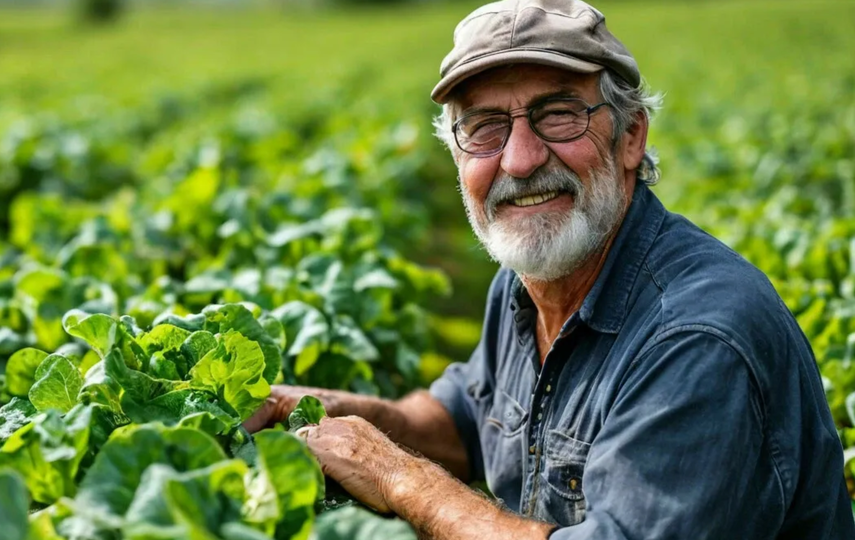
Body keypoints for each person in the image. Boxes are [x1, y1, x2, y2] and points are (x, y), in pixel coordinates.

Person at [243, 0, 855, 538]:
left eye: (558, 114)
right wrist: (323, 413)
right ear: (457, 155)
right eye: (484, 128)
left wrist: (401, 479)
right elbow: (461, 421)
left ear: (631, 136)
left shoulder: (697, 339)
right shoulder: (527, 281)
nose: (520, 158)